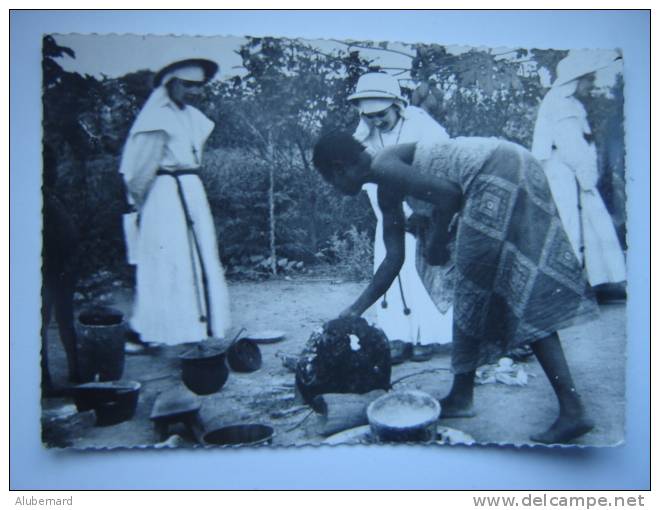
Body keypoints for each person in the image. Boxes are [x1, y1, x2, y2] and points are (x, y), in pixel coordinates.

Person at [312, 131, 600, 444]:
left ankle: (567, 408)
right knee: (496, 286)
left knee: (488, 289)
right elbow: (393, 259)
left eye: (329, 181)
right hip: (514, 163)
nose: (335, 189)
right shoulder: (386, 186)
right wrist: (355, 309)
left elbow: (449, 195)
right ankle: (465, 395)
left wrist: (435, 239)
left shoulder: (384, 165)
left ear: (339, 168)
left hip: (496, 169)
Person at [119, 58, 231, 347]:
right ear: (171, 84)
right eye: (187, 85)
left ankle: (204, 326)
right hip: (165, 196)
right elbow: (137, 171)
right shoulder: (156, 119)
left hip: (192, 191)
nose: (193, 92)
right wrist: (140, 205)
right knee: (169, 259)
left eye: (198, 86)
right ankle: (163, 329)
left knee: (200, 257)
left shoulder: (192, 117)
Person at [348, 72, 453, 349]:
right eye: (369, 116)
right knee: (393, 271)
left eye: (381, 114)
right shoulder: (364, 140)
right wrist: (398, 215)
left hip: (427, 210)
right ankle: (399, 337)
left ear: (397, 105)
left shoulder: (421, 125)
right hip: (392, 215)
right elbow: (369, 183)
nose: (376, 121)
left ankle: (428, 338)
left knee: (424, 271)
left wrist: (423, 212)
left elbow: (442, 167)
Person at [532, 50, 626, 292]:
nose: (591, 84)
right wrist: (586, 176)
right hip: (562, 171)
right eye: (588, 79)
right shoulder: (561, 105)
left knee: (588, 224)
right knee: (570, 224)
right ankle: (567, 285)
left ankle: (590, 281)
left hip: (573, 170)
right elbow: (570, 145)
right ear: (575, 80)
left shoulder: (570, 104)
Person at [41, 145, 80, 391]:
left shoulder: (52, 196)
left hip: (61, 269)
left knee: (65, 321)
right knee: (42, 323)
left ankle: (75, 372)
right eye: (50, 168)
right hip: (48, 270)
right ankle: (44, 380)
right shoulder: (38, 199)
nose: (54, 172)